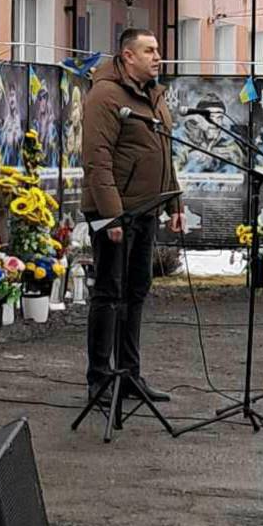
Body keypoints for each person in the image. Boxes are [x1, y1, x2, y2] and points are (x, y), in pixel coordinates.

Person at [82, 29, 185, 405]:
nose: (158, 57)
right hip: (113, 213)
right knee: (109, 292)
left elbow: (164, 154)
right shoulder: (105, 95)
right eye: (149, 51)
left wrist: (174, 203)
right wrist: (111, 217)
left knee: (136, 291)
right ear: (128, 56)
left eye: (157, 50)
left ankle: (129, 375)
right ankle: (100, 378)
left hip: (146, 210)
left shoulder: (153, 95)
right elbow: (97, 160)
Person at [177, 95, 243, 173]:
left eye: (219, 117)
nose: (215, 123)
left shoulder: (231, 142)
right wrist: (195, 162)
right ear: (198, 118)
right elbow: (174, 170)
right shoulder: (181, 138)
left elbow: (241, 171)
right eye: (210, 117)